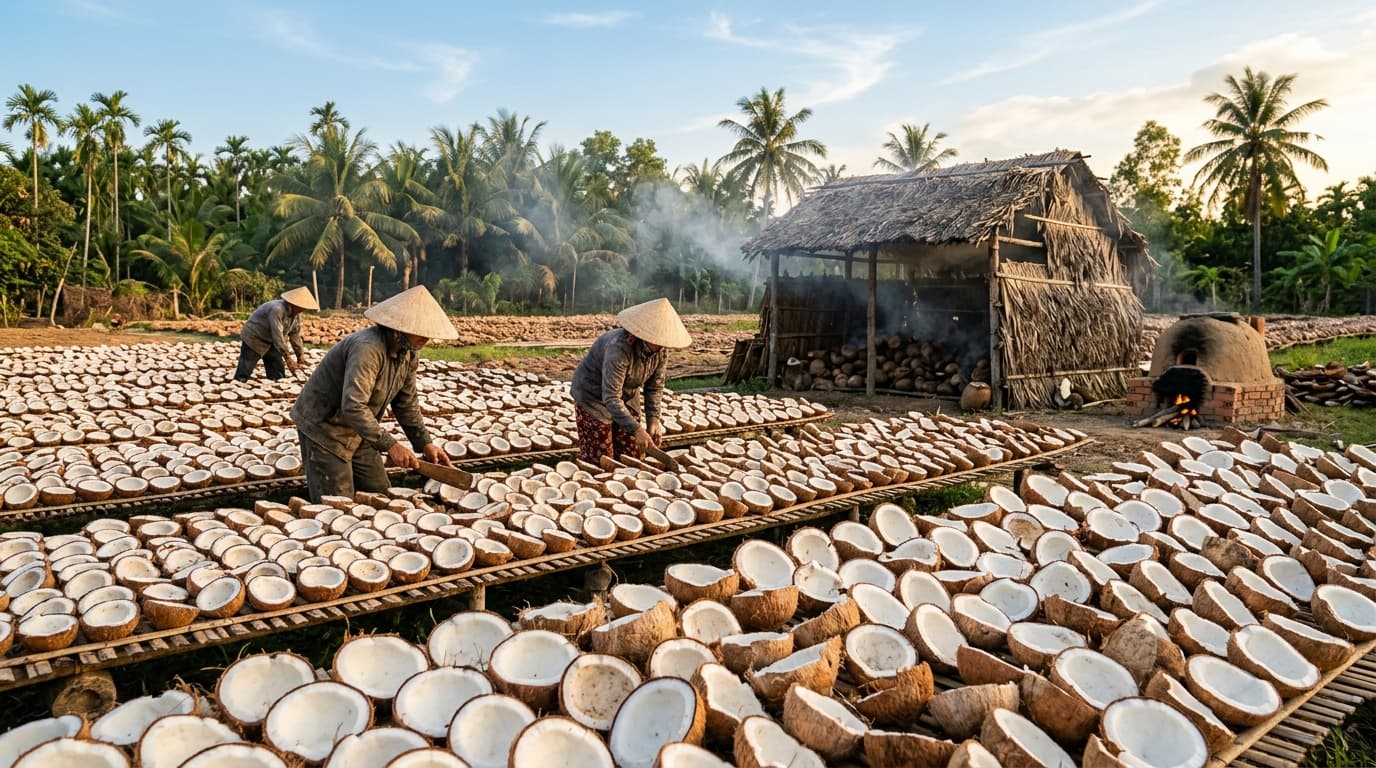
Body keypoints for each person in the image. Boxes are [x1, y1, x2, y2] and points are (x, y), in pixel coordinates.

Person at [290, 286, 458, 502]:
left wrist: (425, 442)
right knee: (336, 505)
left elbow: (406, 404)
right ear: (399, 328)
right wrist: (390, 445)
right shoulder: (368, 349)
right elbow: (353, 405)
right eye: (420, 332)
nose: (426, 338)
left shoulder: (409, 353)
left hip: (360, 431)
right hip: (325, 429)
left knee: (380, 491)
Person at [570, 297, 692, 463]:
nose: (661, 345)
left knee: (633, 452)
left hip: (627, 394)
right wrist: (636, 429)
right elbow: (611, 396)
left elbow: (654, 388)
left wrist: (653, 419)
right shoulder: (619, 348)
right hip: (593, 396)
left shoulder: (661, 352)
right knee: (602, 458)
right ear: (646, 334)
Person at [234, 287, 319, 381]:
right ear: (295, 304)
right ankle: (239, 382)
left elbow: (295, 335)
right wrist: (288, 358)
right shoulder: (277, 310)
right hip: (255, 338)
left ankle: (276, 382)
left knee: (277, 373)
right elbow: (277, 335)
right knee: (244, 371)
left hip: (272, 341)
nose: (304, 309)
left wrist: (300, 356)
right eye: (302, 307)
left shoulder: (296, 315)